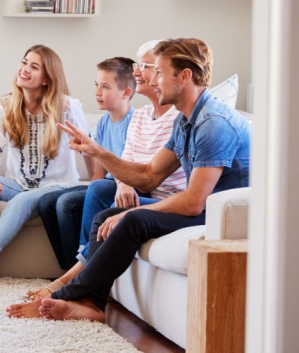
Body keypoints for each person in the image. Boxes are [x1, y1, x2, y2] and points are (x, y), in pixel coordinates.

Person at [7, 37, 250, 322]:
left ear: (185, 76)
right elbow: (149, 176)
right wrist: (97, 151)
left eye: (159, 72)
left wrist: (133, 211)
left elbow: (194, 202)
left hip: (220, 215)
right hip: (202, 207)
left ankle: (64, 293)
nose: (151, 80)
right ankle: (93, 303)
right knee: (106, 215)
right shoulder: (186, 120)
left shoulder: (213, 123)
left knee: (131, 219)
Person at [26, 40, 189, 301]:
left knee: (95, 193)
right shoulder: (140, 116)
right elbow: (125, 163)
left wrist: (116, 174)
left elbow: (150, 176)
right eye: (138, 66)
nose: (137, 72)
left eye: (147, 67)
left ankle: (75, 278)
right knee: (85, 192)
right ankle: (77, 273)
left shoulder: (182, 120)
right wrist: (118, 177)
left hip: (159, 196)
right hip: (138, 187)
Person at [0, 45, 93, 288]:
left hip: (58, 187)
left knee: (23, 200)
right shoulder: (4, 106)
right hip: (19, 184)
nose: (25, 70)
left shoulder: (67, 107)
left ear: (47, 79)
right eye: (24, 63)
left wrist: (95, 183)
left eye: (34, 67)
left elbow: (88, 147)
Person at [38, 57, 136, 271]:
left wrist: (98, 188)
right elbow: (98, 175)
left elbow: (134, 170)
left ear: (126, 93)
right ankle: (69, 268)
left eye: (105, 86)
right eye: (96, 85)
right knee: (46, 202)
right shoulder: (102, 123)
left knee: (67, 203)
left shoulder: (135, 121)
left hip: (125, 187)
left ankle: (85, 264)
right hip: (105, 187)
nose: (97, 92)